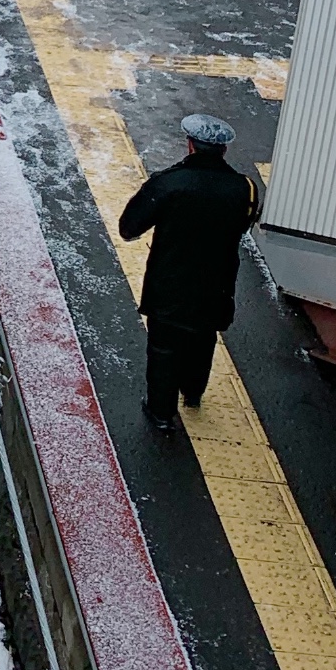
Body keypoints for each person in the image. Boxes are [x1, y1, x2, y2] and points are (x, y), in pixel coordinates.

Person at [119, 115, 259, 433]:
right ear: (223, 150)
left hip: (169, 284)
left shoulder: (168, 183)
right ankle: (193, 393)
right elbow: (242, 225)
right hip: (217, 285)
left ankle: (161, 413)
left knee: (164, 347)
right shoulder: (244, 188)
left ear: (190, 144)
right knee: (203, 338)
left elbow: (129, 228)